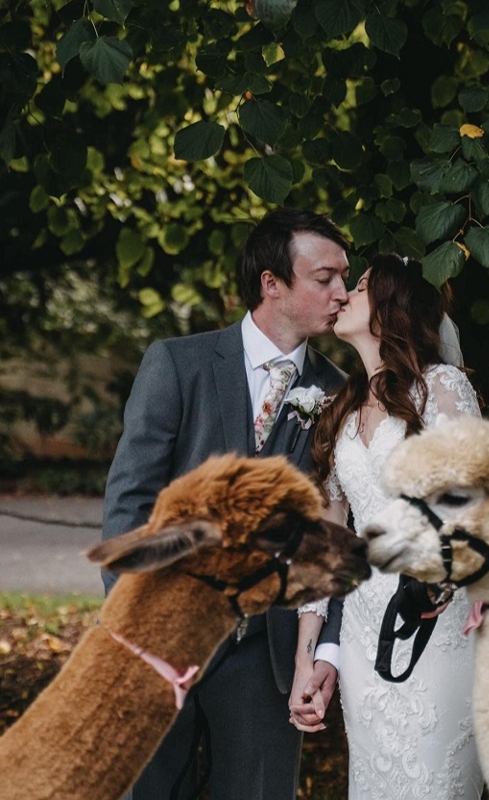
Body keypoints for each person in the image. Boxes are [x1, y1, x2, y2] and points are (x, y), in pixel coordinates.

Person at [101, 208, 351, 800]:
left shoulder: (340, 393)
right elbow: (130, 503)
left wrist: (326, 653)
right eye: (325, 277)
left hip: (269, 657)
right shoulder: (177, 365)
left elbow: (337, 537)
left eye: (346, 277)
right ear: (272, 283)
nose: (342, 292)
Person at [289, 254, 484, 799]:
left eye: (363, 286)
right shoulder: (341, 407)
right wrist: (309, 655)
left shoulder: (441, 388)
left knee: (433, 781)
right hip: (361, 634)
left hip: (434, 623)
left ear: (391, 308)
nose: (346, 293)